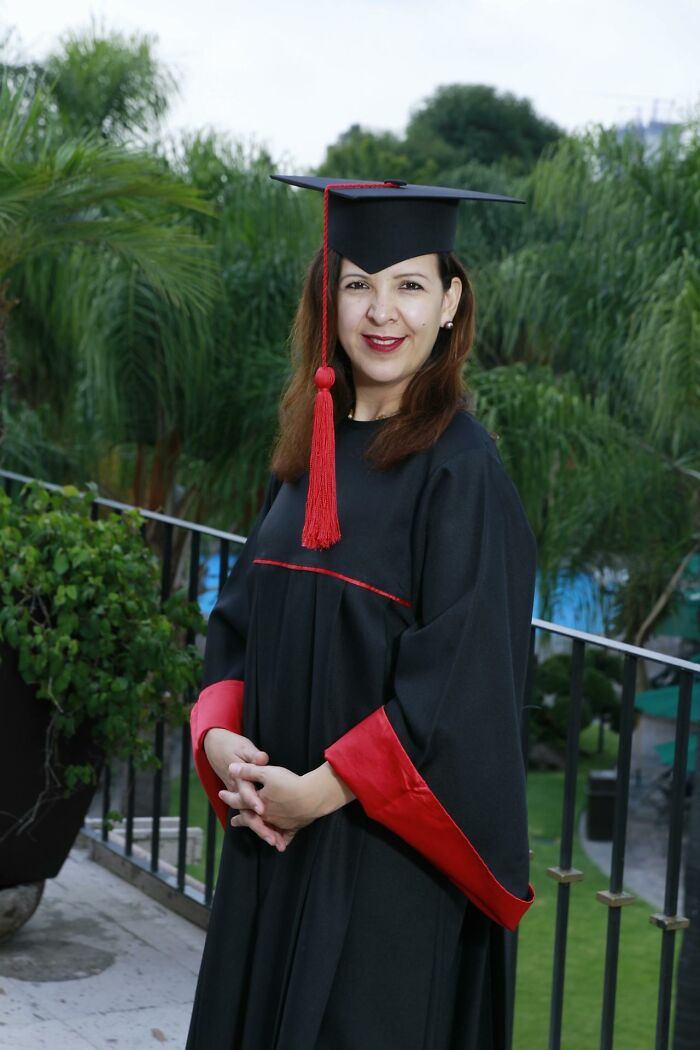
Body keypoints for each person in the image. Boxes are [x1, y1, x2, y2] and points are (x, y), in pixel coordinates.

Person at [186, 176, 537, 1050]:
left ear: (451, 301)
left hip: (382, 869)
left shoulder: (462, 472)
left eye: (410, 285)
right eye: (358, 284)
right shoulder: (308, 452)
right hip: (272, 842)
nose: (383, 312)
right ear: (329, 298)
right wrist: (218, 741)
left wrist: (322, 791)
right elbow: (238, 622)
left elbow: (461, 682)